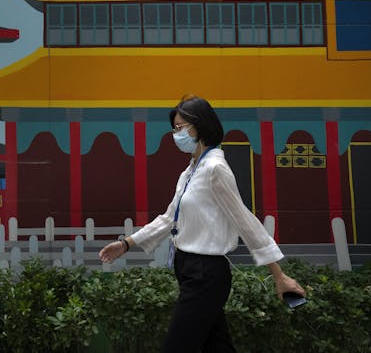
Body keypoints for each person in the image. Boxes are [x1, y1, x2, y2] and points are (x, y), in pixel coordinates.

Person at [99, 95, 306, 352]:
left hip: (206, 273)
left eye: (180, 127)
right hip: (188, 269)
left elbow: (244, 220)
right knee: (217, 346)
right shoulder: (191, 170)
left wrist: (279, 275)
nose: (176, 134)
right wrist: (126, 244)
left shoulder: (215, 168)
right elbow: (168, 217)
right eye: (174, 128)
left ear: (200, 125)